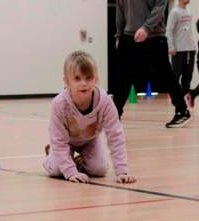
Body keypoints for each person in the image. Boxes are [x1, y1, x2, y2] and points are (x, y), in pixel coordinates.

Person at [113, 0, 192, 128]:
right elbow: (120, 7)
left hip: (153, 36)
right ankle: (114, 116)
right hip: (129, 36)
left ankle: (182, 110)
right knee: (123, 77)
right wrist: (118, 34)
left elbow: (160, 5)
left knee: (166, 74)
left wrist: (147, 28)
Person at [44, 51, 135, 184]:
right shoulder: (59, 104)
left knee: (99, 170)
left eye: (88, 78)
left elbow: (115, 135)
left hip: (90, 140)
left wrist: (122, 171)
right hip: (66, 142)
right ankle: (51, 156)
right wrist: (71, 172)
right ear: (66, 82)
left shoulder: (105, 102)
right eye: (77, 78)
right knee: (57, 170)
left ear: (96, 79)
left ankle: (79, 161)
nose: (83, 83)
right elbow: (58, 140)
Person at [167, 0, 196, 96]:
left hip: (190, 49)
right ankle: (174, 95)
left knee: (188, 76)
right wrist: (171, 46)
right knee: (176, 74)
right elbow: (169, 30)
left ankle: (185, 97)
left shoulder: (189, 11)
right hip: (178, 49)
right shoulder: (174, 12)